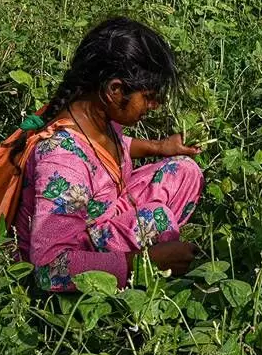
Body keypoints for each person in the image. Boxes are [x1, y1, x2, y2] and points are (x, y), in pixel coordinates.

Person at [13, 17, 205, 293]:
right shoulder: (62, 162)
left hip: (103, 214)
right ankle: (151, 265)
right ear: (115, 90)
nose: (154, 105)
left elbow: (113, 148)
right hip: (75, 247)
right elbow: (49, 268)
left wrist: (160, 147)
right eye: (148, 96)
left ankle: (159, 246)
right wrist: (143, 263)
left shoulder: (95, 115)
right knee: (157, 218)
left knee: (185, 171)